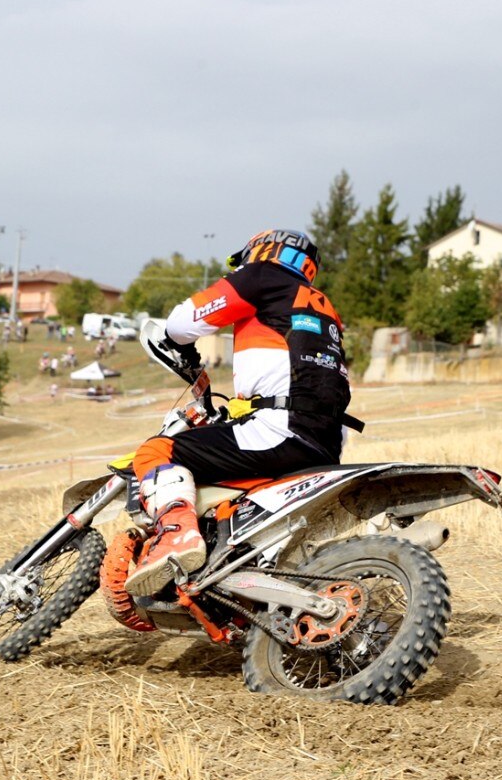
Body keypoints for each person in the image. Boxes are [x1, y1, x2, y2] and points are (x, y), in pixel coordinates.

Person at [125, 229, 360, 596]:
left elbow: (182, 323)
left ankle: (177, 537)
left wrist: (175, 339)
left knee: (157, 452)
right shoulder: (324, 308)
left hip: (278, 428)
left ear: (261, 251)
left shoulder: (262, 276)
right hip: (325, 441)